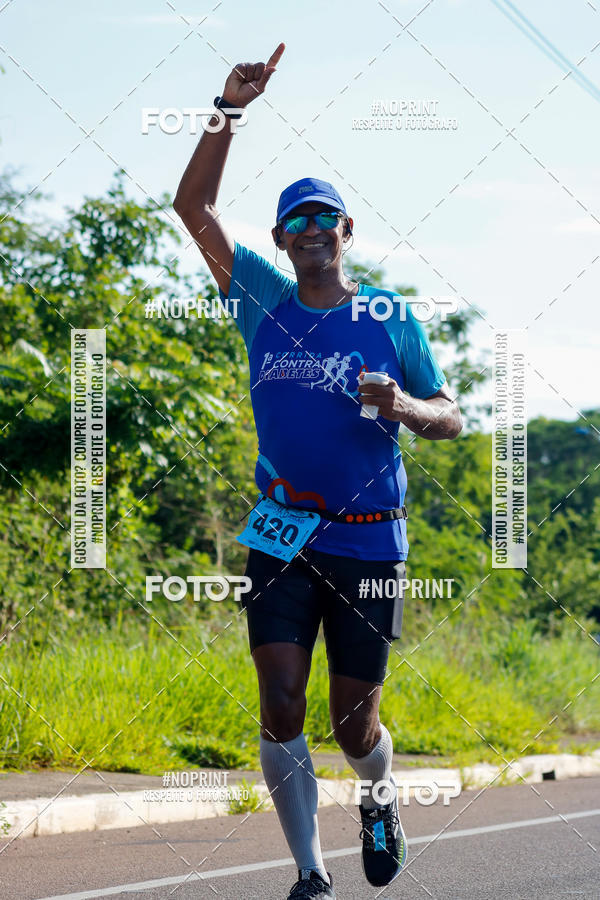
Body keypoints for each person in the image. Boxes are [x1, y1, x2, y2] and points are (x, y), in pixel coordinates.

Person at [174, 43, 462, 900]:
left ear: (346, 232)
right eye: (294, 219)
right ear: (279, 239)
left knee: (351, 723)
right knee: (281, 702)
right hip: (281, 534)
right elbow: (192, 206)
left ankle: (379, 796)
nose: (309, 228)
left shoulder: (389, 316)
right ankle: (309, 872)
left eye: (323, 217)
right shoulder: (259, 297)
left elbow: (450, 415)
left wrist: (402, 406)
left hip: (369, 542)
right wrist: (229, 108)